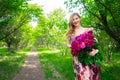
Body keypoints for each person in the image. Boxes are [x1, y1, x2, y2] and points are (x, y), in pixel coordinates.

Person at [66, 13, 100, 80]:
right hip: (78, 59)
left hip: (89, 57)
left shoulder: (87, 30)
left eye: (76, 18)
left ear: (80, 18)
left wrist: (94, 51)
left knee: (91, 76)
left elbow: (95, 43)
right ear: (71, 22)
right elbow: (68, 44)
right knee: (82, 77)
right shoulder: (71, 33)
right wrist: (74, 47)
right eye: (73, 20)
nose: (75, 21)